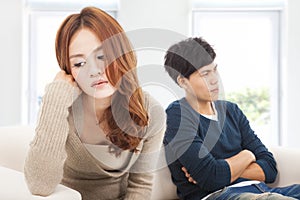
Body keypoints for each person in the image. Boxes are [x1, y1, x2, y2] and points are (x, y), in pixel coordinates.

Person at [24, 6, 165, 200]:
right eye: (79, 63)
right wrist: (55, 97)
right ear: (68, 71)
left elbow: (140, 186)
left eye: (102, 56)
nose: (94, 70)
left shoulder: (150, 111)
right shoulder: (60, 105)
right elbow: (39, 185)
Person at [163, 37, 300, 200]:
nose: (214, 79)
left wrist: (221, 169)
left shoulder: (231, 111)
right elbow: (211, 179)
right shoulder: (177, 115)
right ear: (183, 82)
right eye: (205, 74)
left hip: (260, 190)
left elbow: (270, 169)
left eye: (215, 70)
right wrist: (248, 156)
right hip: (219, 196)